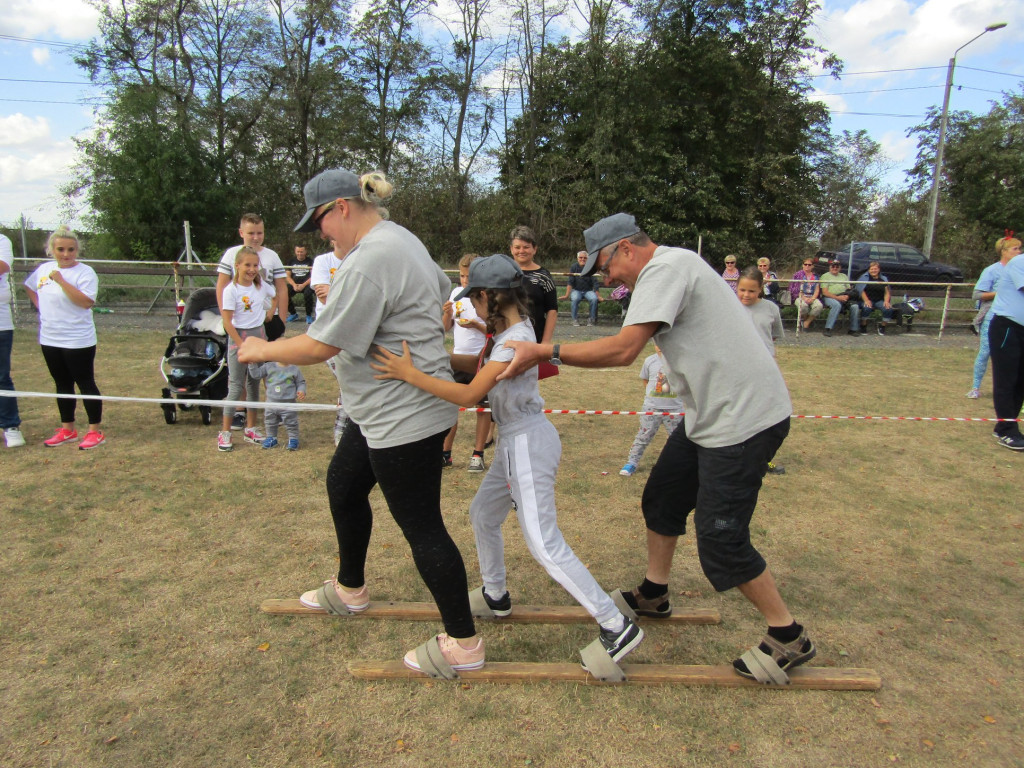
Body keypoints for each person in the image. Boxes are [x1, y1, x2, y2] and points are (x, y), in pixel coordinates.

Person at [497, 213, 814, 683]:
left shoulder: (664, 269)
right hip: (708, 414)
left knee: (722, 539)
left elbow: (625, 351)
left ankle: (788, 636)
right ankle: (654, 593)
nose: (606, 279)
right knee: (662, 499)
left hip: (745, 420)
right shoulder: (670, 266)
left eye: (605, 267)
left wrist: (545, 352)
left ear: (626, 248)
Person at [238, 167, 482, 676]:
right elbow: (439, 294)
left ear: (343, 208)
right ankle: (351, 589)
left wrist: (261, 347)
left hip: (404, 415)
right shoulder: (400, 239)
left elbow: (321, 343)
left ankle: (464, 644)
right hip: (378, 410)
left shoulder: (371, 258)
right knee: (344, 485)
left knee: (422, 526)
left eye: (321, 223)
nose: (321, 235)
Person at [372, 253, 643, 670]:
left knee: (544, 543)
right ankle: (495, 595)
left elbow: (467, 395)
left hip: (526, 444)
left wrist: (409, 373)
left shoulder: (514, 339)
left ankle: (615, 624)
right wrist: (433, 362)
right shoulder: (511, 333)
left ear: (487, 297)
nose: (474, 310)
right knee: (483, 514)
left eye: (474, 301)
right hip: (520, 439)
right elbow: (477, 369)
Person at [23, 226, 106, 449]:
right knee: (61, 383)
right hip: (50, 337)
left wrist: (61, 280)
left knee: (85, 382)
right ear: (52, 250)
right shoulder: (44, 269)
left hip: (78, 339)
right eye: (60, 249)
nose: (66, 254)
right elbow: (30, 287)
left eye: (70, 249)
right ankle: (67, 429)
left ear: (77, 250)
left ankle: (94, 431)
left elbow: (86, 302)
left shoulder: (85, 272)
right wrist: (40, 306)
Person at [216, 213, 288, 429]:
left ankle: (273, 409)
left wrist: (280, 320)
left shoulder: (272, 256)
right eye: (251, 233)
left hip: (265, 321)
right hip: (240, 323)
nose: (256, 237)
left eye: (260, 233)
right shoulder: (231, 255)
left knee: (268, 369)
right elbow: (221, 286)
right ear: (241, 233)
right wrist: (227, 317)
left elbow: (280, 289)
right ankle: (239, 411)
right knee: (241, 372)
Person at [217, 246, 275, 452]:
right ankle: (225, 432)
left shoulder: (261, 287)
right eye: (247, 265)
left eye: (255, 265)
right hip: (238, 341)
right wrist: (243, 347)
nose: (252, 269)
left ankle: (251, 427)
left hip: (258, 337)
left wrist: (270, 313)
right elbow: (227, 322)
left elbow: (274, 295)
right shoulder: (231, 291)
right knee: (236, 386)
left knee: (254, 385)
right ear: (237, 266)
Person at [441, 253, 491, 472]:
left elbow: (496, 330)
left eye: (469, 276)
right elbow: (445, 328)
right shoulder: (455, 294)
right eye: (461, 276)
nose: (464, 280)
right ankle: (445, 453)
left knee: (483, 407)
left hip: (482, 360)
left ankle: (477, 454)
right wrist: (446, 314)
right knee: (449, 406)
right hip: (458, 358)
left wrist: (476, 326)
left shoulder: (487, 295)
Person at [736, 267, 786, 474]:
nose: (746, 295)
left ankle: (762, 459)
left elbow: (773, 336)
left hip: (765, 370)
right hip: (738, 369)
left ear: (761, 289)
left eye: (751, 291)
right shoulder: (728, 307)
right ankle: (736, 458)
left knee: (768, 418)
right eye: (742, 290)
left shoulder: (771, 309)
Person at [619, 344, 682, 477]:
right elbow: (645, 380)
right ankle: (631, 463)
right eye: (657, 342)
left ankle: (682, 466)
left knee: (679, 439)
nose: (660, 346)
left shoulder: (681, 360)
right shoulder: (650, 361)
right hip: (651, 408)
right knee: (643, 436)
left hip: (675, 409)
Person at [967, 237, 1018, 399]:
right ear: (1004, 251)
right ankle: (975, 388)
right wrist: (1000, 293)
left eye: (1019, 248)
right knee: (986, 352)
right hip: (992, 317)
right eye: (1015, 249)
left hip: (1014, 319)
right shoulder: (992, 270)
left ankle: (1010, 391)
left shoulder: (1019, 269)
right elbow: (977, 295)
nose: (1019, 252)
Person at [987, 234, 1024, 451]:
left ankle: (1005, 426)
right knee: (1006, 380)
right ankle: (1008, 431)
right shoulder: (1019, 263)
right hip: (1007, 328)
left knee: (1021, 380)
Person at [311, 239, 349, 445]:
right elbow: (323, 297)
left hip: (351, 332)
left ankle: (343, 432)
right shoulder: (322, 261)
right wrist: (348, 294)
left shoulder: (360, 260)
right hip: (327, 334)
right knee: (347, 381)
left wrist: (334, 292)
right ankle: (342, 432)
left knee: (349, 382)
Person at [509, 225, 558, 343]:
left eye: (526, 247)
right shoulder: (503, 273)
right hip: (507, 338)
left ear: (534, 249)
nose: (521, 251)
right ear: (511, 249)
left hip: (535, 339)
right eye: (517, 247)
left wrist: (545, 343)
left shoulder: (544, 276)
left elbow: (552, 310)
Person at [247, 360, 306, 450]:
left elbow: (301, 382)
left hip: (288, 404)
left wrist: (301, 390)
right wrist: (252, 364)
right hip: (271, 403)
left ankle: (293, 439)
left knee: (291, 423)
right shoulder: (268, 366)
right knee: (270, 422)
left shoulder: (294, 369)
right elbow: (256, 375)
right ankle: (271, 438)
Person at [1, 232, 25, 447]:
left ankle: (10, 426)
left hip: (0, 323)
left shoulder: (1, 241)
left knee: (1, 376)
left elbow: (2, 266)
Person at [819, 257, 862, 337]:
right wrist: (838, 298)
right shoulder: (825, 276)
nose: (835, 268)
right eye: (833, 266)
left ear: (840, 267)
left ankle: (853, 329)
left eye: (837, 266)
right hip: (829, 297)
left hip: (844, 296)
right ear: (830, 267)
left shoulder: (844, 276)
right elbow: (825, 292)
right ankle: (828, 328)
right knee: (836, 305)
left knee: (855, 306)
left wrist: (847, 296)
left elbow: (849, 289)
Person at [562, 250, 601, 326]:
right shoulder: (574, 267)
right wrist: (566, 295)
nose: (582, 259)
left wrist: (598, 296)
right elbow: (570, 281)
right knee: (575, 298)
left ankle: (591, 319)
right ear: (577, 258)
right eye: (581, 257)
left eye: (585, 258)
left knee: (594, 299)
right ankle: (574, 319)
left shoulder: (591, 267)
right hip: (576, 290)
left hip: (588, 290)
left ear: (587, 259)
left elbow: (595, 283)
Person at [857, 262, 897, 336]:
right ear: (869, 270)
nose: (873, 270)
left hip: (879, 300)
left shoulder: (883, 278)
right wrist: (866, 300)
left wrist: (886, 301)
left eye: (875, 269)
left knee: (888, 309)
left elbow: (887, 292)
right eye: (871, 269)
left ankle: (882, 327)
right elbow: (861, 290)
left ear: (879, 269)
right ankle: (863, 325)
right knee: (867, 308)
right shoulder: (864, 277)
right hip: (867, 299)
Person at [285, 245, 315, 323]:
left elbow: (313, 276)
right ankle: (293, 314)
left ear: (305, 252)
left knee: (308, 294)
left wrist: (303, 285)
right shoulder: (291, 261)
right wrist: (294, 285)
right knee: (284, 293)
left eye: (301, 252)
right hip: (294, 284)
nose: (299, 253)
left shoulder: (310, 261)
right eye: (298, 251)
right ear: (295, 252)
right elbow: (287, 276)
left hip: (306, 284)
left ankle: (308, 315)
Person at [791, 258, 823, 331]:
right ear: (803, 265)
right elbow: (795, 289)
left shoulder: (816, 276)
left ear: (812, 266)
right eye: (805, 264)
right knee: (803, 306)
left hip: (812, 296)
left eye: (809, 265)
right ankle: (805, 319)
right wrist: (804, 298)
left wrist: (813, 298)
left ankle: (807, 322)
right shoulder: (798, 275)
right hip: (800, 296)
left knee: (819, 306)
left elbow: (817, 289)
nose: (807, 266)